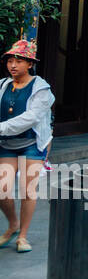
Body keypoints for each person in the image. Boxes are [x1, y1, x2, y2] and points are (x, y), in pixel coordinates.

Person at [0, 39, 54, 253]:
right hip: (7, 143)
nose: (13, 65)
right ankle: (13, 224)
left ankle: (23, 235)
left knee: (27, 191)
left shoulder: (42, 89)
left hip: (32, 143)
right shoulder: (3, 85)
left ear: (30, 64)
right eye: (10, 61)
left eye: (19, 61)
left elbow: (31, 118)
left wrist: (1, 127)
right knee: (2, 189)